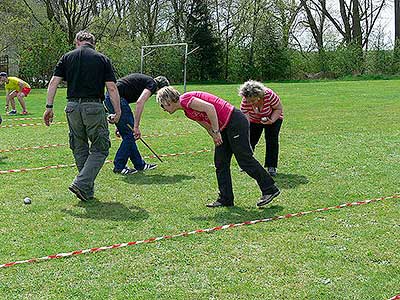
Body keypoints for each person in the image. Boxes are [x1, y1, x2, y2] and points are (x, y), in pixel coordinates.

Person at [156, 86, 280, 208]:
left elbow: (210, 109)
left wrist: (216, 131)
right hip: (223, 128)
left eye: (162, 105)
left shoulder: (186, 99)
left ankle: (270, 189)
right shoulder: (187, 111)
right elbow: (205, 123)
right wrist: (214, 135)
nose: (163, 109)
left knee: (244, 160)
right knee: (220, 162)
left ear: (168, 101)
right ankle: (225, 199)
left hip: (235, 121)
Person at [43, 31, 121, 202]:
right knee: (100, 148)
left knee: (79, 147)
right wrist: (118, 111)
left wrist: (49, 107)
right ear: (93, 43)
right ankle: (81, 183)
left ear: (78, 41)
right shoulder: (102, 59)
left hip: (71, 107)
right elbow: (112, 88)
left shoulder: (67, 57)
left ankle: (86, 190)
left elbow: (53, 82)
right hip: (93, 106)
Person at [104, 73, 169, 175]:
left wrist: (122, 124)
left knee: (128, 135)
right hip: (116, 99)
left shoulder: (147, 81)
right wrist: (136, 126)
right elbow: (140, 102)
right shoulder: (152, 84)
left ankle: (140, 165)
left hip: (111, 98)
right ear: (160, 88)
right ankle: (119, 166)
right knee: (130, 135)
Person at [239, 80, 283, 177]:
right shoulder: (245, 101)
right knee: (250, 140)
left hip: (273, 116)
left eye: (253, 100)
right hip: (254, 120)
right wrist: (246, 130)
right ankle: (246, 164)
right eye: (248, 101)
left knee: (272, 140)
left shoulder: (269, 95)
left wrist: (271, 120)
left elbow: (278, 108)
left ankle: (271, 167)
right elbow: (245, 120)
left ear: (259, 95)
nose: (251, 103)